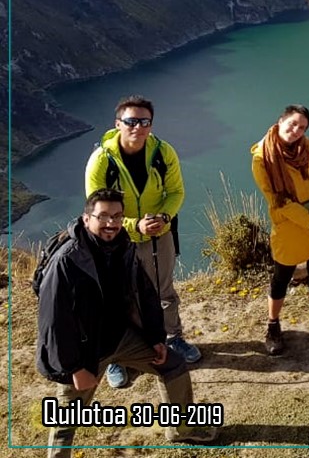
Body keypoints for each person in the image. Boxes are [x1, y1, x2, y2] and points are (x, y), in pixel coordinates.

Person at [36, 189, 218, 456]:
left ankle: (182, 431)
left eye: (117, 216)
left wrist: (156, 337)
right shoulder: (67, 260)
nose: (111, 223)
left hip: (122, 337)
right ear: (87, 219)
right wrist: (74, 368)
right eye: (104, 216)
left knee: (174, 364)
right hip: (86, 351)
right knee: (67, 417)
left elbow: (145, 292)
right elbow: (54, 322)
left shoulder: (124, 244)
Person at [83, 95, 199, 391]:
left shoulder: (162, 153)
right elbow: (98, 209)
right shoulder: (102, 160)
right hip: (116, 241)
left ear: (150, 124)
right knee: (120, 297)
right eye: (131, 121)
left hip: (159, 234)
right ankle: (117, 357)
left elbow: (176, 192)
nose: (138, 127)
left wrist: (162, 216)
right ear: (118, 124)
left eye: (144, 121)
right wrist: (135, 225)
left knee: (164, 290)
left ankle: (173, 339)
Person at [251, 104, 309, 356]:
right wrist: (308, 219)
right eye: (292, 124)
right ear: (280, 121)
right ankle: (273, 325)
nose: (296, 130)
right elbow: (275, 198)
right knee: (281, 276)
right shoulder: (262, 157)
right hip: (290, 225)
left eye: (302, 127)